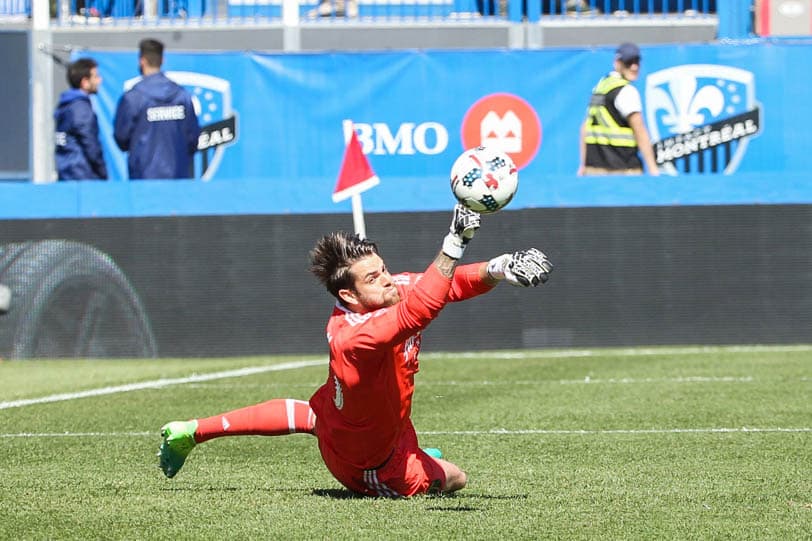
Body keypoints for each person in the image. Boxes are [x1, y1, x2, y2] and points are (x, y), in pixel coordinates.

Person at [158, 204, 554, 498]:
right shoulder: (356, 337)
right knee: (455, 478)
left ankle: (190, 432)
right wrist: (454, 241)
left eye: (383, 269)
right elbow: (421, 309)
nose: (388, 280)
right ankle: (414, 460)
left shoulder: (381, 292)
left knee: (313, 415)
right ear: (348, 294)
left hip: (342, 420)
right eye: (373, 277)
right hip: (370, 463)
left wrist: (500, 267)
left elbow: (447, 283)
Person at [113, 38, 200, 180]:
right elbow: (193, 137)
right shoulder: (181, 96)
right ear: (162, 60)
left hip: (144, 178)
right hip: (178, 178)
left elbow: (121, 137)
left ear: (142, 61)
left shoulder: (134, 98)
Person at [578, 42, 660, 176]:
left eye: (637, 61)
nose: (634, 67)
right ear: (617, 63)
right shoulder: (626, 91)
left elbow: (585, 128)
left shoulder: (600, 88)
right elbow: (639, 129)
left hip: (595, 170)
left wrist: (584, 164)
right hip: (623, 170)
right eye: (629, 62)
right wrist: (653, 169)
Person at [54, 57, 108, 181]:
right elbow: (90, 145)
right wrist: (102, 172)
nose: (100, 80)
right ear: (85, 82)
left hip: (66, 176)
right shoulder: (80, 109)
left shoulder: (66, 106)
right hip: (83, 178)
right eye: (96, 77)